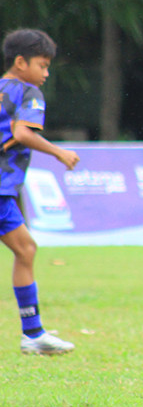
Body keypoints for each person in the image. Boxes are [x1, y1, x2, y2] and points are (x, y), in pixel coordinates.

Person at [1, 29, 80, 355]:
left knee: (26, 249)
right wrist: (59, 152)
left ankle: (34, 334)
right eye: (42, 65)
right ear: (21, 62)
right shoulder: (28, 92)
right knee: (26, 250)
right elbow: (23, 132)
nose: (45, 74)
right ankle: (33, 336)